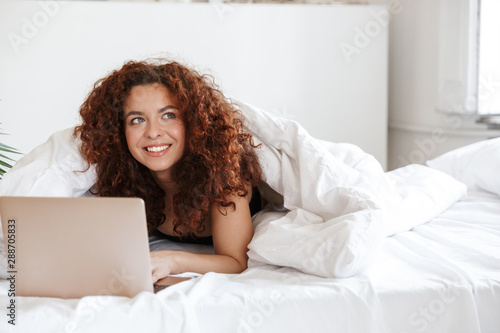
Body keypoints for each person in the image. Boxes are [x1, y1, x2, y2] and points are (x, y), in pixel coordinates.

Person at [74, 59, 262, 282]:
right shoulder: (124, 178)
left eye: (169, 115)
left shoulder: (225, 173)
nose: (153, 132)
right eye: (137, 120)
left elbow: (236, 262)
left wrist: (172, 260)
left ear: (193, 122)